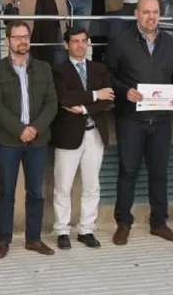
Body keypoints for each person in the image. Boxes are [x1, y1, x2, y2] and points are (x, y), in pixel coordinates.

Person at [106, 0, 173, 246]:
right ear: (136, 14)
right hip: (131, 119)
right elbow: (107, 75)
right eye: (146, 12)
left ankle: (159, 223)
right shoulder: (120, 41)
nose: (151, 17)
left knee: (159, 173)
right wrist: (124, 91)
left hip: (161, 120)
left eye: (155, 12)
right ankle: (123, 223)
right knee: (128, 171)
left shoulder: (170, 43)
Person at [0, 20, 58, 259]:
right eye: (17, 37)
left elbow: (52, 102)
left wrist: (35, 128)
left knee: (36, 192)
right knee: (6, 192)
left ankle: (33, 239)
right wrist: (20, 129)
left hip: (37, 141)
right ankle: (3, 241)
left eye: (25, 36)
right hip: (9, 142)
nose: (22, 41)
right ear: (7, 41)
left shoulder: (43, 68)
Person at [50, 27, 114, 250]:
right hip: (68, 135)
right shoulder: (58, 71)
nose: (80, 45)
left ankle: (87, 229)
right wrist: (96, 94)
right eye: (75, 41)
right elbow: (65, 97)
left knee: (92, 185)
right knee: (63, 186)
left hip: (94, 133)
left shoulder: (99, 68)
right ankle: (62, 230)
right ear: (66, 44)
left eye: (83, 41)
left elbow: (109, 98)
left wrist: (85, 108)